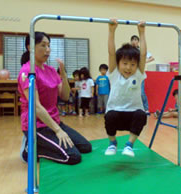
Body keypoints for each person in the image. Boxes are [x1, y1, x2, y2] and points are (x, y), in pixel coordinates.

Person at [18, 32, 91, 165]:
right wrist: (58, 131)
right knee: (73, 157)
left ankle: (40, 144)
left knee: (86, 147)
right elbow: (36, 107)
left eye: (49, 46)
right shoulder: (27, 72)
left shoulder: (51, 70)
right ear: (30, 47)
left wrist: (63, 74)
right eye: (43, 45)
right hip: (37, 126)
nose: (48, 50)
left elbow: (64, 95)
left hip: (54, 121)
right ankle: (30, 149)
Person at [104, 19, 147, 157]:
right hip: (116, 114)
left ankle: (129, 145)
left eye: (133, 64)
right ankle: (112, 143)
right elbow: (111, 53)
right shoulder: (114, 74)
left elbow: (143, 55)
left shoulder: (138, 74)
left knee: (142, 114)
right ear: (118, 63)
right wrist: (111, 31)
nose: (129, 67)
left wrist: (142, 32)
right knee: (109, 115)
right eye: (125, 63)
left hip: (132, 115)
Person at [131, 35, 154, 115]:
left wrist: (144, 62)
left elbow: (151, 58)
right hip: (131, 74)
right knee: (132, 91)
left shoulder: (141, 50)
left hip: (140, 74)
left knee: (141, 92)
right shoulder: (129, 51)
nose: (134, 41)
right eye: (132, 40)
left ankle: (146, 109)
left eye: (135, 40)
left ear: (138, 42)